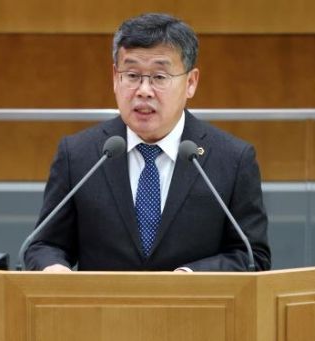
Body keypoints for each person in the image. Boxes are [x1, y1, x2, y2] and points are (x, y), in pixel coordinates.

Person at [25, 13, 271, 272]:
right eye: (132, 75)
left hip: (193, 299)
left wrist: (191, 278)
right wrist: (52, 267)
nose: (143, 90)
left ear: (190, 83)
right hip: (103, 300)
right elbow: (43, 244)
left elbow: (252, 257)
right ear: (115, 78)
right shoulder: (79, 155)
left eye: (159, 77)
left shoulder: (232, 159)